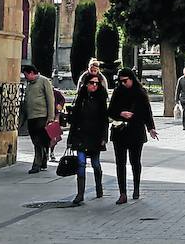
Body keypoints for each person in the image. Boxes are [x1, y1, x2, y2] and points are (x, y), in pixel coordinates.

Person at [108, 68, 159, 204]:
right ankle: (122, 193)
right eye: (121, 81)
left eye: (125, 80)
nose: (123, 83)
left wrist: (151, 128)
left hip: (136, 131)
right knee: (120, 163)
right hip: (119, 131)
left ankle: (136, 188)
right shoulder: (118, 91)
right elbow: (110, 111)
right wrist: (121, 114)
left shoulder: (140, 92)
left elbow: (147, 112)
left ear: (131, 78)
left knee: (135, 161)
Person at [68, 72, 109, 205]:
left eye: (97, 83)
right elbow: (74, 120)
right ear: (86, 84)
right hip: (80, 135)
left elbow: (104, 119)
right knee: (81, 163)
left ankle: (98, 186)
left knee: (96, 164)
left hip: (95, 136)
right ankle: (80, 194)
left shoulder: (101, 98)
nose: (94, 86)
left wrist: (104, 136)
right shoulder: (81, 98)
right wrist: (70, 138)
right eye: (92, 83)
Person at [20, 64, 55, 173]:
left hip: (41, 116)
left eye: (26, 75)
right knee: (37, 140)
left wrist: (50, 117)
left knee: (38, 141)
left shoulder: (44, 81)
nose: (25, 77)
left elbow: (50, 99)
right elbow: (26, 101)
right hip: (31, 117)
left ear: (31, 73)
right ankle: (43, 159)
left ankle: (37, 163)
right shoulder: (29, 85)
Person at [49, 88, 66, 161]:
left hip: (54, 115)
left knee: (54, 136)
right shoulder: (41, 92)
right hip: (44, 116)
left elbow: (62, 99)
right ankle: (46, 153)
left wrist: (60, 105)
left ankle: (51, 152)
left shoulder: (55, 93)